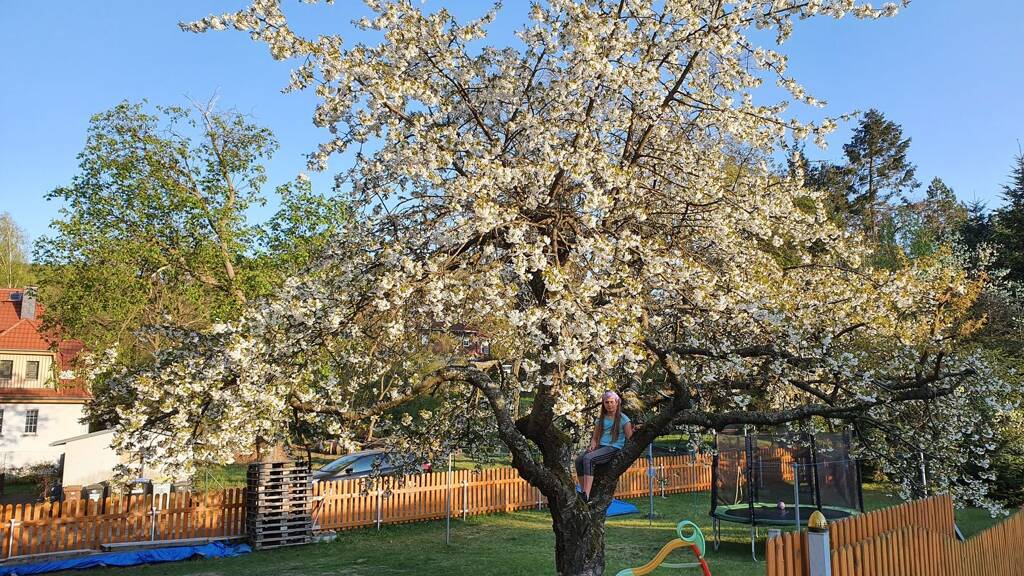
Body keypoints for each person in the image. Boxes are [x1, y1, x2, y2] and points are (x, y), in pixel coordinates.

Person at [575, 391, 633, 501]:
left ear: (617, 403)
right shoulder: (601, 419)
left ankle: (586, 494)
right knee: (579, 460)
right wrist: (592, 445)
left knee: (588, 459)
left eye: (612, 402)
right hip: (600, 447)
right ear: (603, 404)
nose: (609, 405)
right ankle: (583, 491)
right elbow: (595, 438)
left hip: (614, 447)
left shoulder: (624, 419)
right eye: (607, 402)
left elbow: (630, 438)